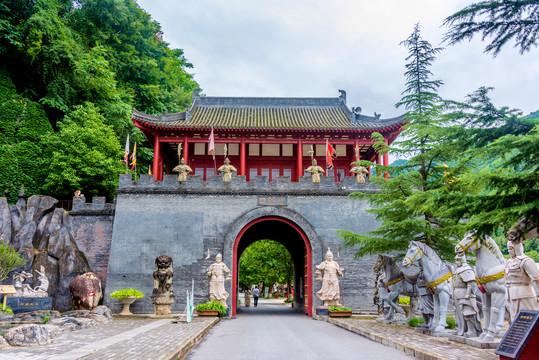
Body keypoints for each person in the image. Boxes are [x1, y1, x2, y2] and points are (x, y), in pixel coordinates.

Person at [505, 239, 539, 322]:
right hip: (510, 294)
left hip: (525, 294)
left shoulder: (526, 261)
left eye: (511, 248)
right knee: (515, 320)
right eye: (508, 248)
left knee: (529, 319)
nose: (509, 251)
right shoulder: (508, 262)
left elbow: (537, 278)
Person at [453, 253, 482, 337]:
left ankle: (471, 330)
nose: (457, 261)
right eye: (456, 260)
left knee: (468, 313)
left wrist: (468, 294)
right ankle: (461, 329)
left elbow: (471, 283)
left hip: (465, 295)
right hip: (457, 294)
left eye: (458, 259)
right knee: (459, 314)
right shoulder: (458, 270)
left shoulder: (466, 269)